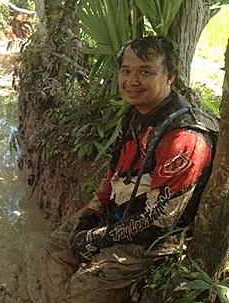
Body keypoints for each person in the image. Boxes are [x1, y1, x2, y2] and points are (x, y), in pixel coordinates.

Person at [41, 36, 217, 302]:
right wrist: (91, 213)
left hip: (153, 241)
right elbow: (114, 172)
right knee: (56, 245)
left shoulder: (184, 139)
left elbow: (159, 222)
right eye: (126, 71)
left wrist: (96, 238)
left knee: (80, 292)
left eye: (145, 71)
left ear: (170, 77)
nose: (132, 81)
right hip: (121, 214)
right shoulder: (136, 113)